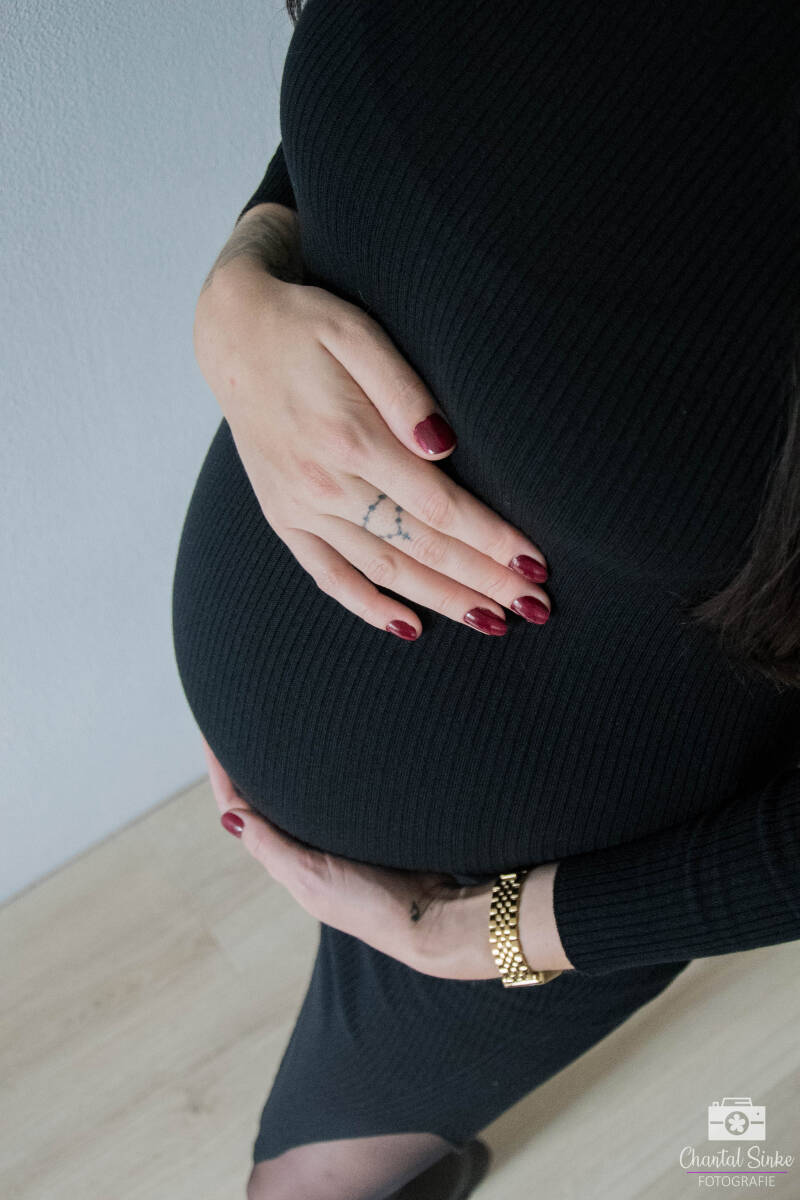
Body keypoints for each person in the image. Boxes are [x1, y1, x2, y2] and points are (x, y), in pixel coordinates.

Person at [172, 2, 800, 1197]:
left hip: (578, 839)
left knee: (318, 1167)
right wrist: (244, 273)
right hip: (416, 761)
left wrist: (487, 935)